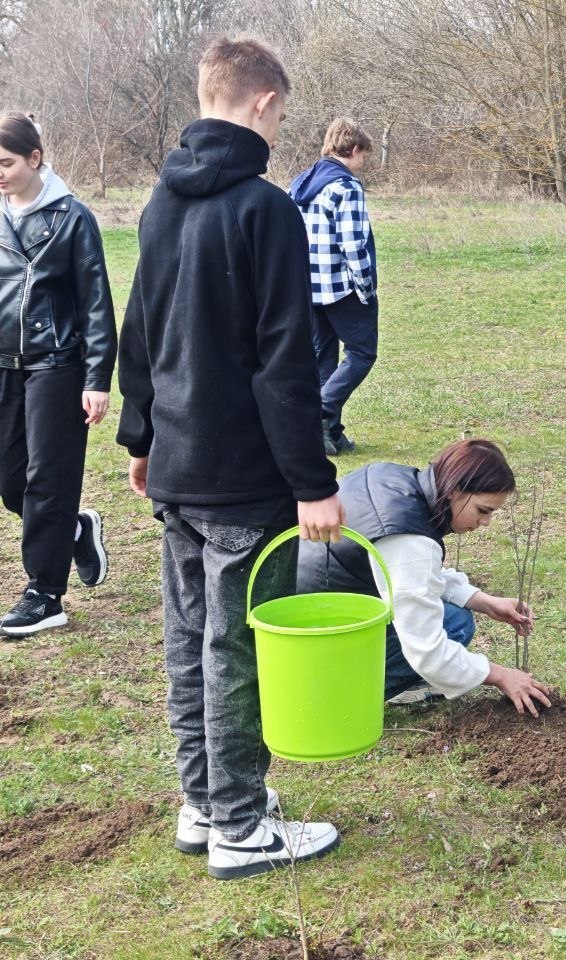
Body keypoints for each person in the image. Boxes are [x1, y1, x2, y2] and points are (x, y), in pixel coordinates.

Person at [116, 36, 346, 881]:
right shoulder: (265, 209)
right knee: (232, 646)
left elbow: (139, 338)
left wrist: (140, 438)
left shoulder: (158, 203)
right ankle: (241, 825)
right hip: (242, 481)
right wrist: (313, 484)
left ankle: (206, 801)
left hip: (176, 466)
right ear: (259, 104)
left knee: (189, 637)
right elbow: (284, 362)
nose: (280, 127)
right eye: (281, 113)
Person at [297, 439, 552, 716]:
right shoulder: (408, 538)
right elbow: (427, 651)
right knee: (454, 625)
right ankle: (328, 697)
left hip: (309, 601)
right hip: (317, 637)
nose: (485, 523)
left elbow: (413, 575)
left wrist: (484, 602)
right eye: (483, 510)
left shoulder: (395, 480)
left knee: (455, 615)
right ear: (456, 489)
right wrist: (501, 675)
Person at [0, 111, 114, 636]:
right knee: (9, 482)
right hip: (4, 363)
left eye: (5, 163)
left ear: (35, 160)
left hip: (57, 364)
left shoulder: (72, 218)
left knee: (48, 478)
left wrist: (96, 378)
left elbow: (96, 303)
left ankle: (45, 593)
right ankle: (72, 529)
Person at [288, 117, 377, 456]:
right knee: (362, 353)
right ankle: (322, 413)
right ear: (353, 150)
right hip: (343, 288)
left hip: (308, 288)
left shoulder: (300, 183)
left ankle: (329, 436)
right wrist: (366, 288)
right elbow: (353, 245)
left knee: (322, 359)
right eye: (363, 156)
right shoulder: (346, 187)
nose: (362, 163)